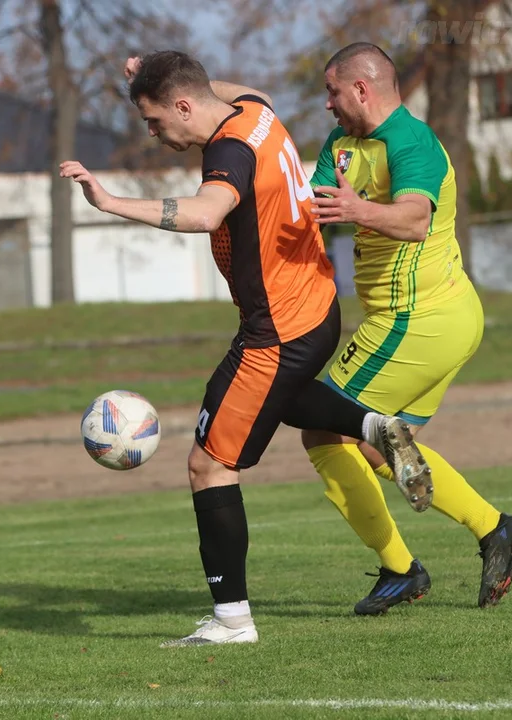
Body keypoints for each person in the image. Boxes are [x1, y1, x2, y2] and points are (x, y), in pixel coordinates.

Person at [60, 50, 432, 647]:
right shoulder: (254, 109)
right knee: (277, 402)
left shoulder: (229, 152)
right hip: (317, 307)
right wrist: (152, 76)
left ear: (185, 105)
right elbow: (214, 88)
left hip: (275, 333)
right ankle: (371, 425)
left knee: (209, 465)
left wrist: (110, 203)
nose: (153, 134)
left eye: (155, 121)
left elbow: (209, 214)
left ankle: (231, 621)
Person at [300, 42, 512, 614]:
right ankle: (495, 528)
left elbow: (414, 219)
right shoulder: (342, 145)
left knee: (323, 430)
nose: (326, 103)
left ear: (361, 89)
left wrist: (359, 212)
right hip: (433, 320)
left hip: (419, 319)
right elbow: (311, 208)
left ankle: (401, 570)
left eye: (332, 91)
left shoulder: (412, 141)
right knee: (378, 449)